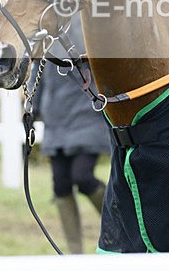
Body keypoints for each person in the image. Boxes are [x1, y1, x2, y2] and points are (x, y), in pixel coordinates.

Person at [27, 14, 110, 254]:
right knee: (60, 184)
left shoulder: (88, 24)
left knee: (83, 177)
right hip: (57, 116)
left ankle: (120, 226)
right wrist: (31, 108)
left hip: (86, 113)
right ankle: (75, 253)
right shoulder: (46, 27)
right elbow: (37, 72)